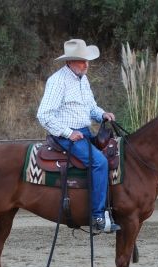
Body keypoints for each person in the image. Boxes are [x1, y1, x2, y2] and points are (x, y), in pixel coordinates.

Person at [37, 39, 121, 233]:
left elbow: (90, 107)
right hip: (66, 134)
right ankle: (97, 216)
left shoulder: (83, 79)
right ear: (70, 62)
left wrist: (102, 114)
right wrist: (67, 133)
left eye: (87, 61)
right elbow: (44, 114)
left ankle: (110, 207)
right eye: (82, 61)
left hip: (83, 132)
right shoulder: (58, 81)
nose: (86, 65)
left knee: (112, 152)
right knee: (99, 162)